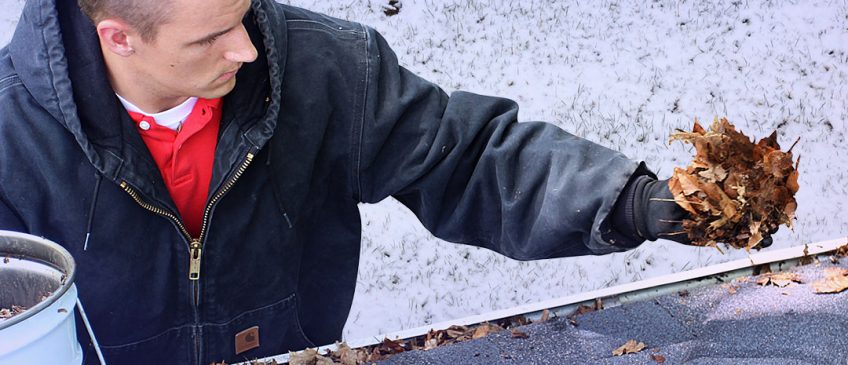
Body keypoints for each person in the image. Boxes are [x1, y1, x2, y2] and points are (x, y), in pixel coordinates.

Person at [0, 0, 769, 363]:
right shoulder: (11, 135)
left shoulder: (318, 65)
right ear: (118, 39)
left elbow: (467, 155)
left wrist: (632, 200)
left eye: (244, 11)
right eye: (211, 36)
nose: (244, 46)